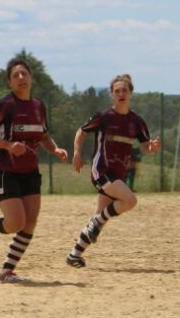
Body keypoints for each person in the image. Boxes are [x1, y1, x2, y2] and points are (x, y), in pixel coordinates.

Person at [0, 56, 68, 283]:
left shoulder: (38, 106)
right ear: (10, 83)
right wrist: (8, 145)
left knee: (30, 222)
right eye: (15, 75)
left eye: (24, 74)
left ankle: (7, 271)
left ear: (31, 78)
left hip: (30, 171)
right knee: (15, 223)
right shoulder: (5, 105)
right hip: (4, 170)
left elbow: (43, 134)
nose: (21, 78)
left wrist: (55, 149)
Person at [65, 74, 161, 268]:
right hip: (102, 170)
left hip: (118, 174)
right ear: (112, 95)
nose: (121, 93)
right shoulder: (104, 118)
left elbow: (146, 147)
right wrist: (76, 153)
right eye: (117, 91)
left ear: (131, 93)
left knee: (99, 218)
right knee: (130, 200)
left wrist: (153, 147)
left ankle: (74, 255)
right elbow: (81, 131)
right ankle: (96, 222)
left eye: (124, 90)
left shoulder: (136, 122)